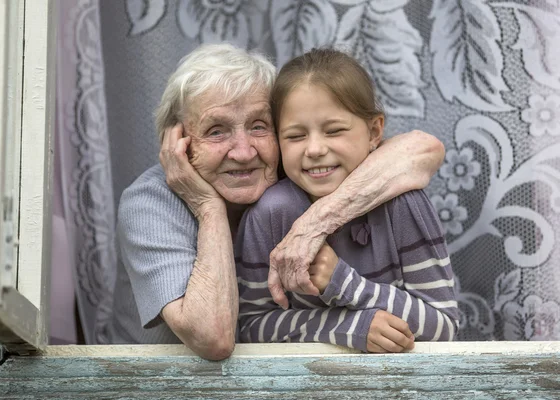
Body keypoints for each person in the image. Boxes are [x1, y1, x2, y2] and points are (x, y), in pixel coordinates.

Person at [106, 43, 446, 360]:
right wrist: (206, 206)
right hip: (145, 380)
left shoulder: (297, 167)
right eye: (216, 131)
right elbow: (214, 338)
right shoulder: (148, 203)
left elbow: (422, 150)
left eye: (258, 126)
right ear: (176, 143)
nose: (243, 152)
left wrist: (315, 224)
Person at [236, 48, 459, 353]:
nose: (314, 149)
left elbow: (444, 326)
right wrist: (346, 327)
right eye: (295, 136)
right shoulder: (270, 214)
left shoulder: (403, 204)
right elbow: (250, 327)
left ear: (374, 131)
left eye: (335, 130)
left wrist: (344, 284)